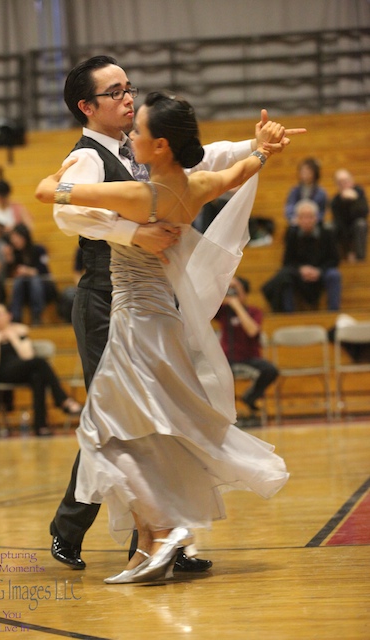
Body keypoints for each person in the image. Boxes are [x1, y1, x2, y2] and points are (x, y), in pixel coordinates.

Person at [43, 55, 302, 575]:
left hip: (154, 304)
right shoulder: (90, 156)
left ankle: (159, 540)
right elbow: (63, 211)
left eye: (128, 88)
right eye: (114, 92)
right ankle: (114, 534)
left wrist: (255, 146)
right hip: (105, 302)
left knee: (138, 422)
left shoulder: (146, 152)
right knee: (128, 422)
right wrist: (130, 232)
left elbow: (206, 159)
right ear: (86, 107)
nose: (128, 98)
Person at [0, 304, 83, 436]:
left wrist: (13, 338)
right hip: (2, 374)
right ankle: (62, 400)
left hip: (22, 370)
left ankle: (40, 427)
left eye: (0, 314)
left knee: (38, 377)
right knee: (40, 362)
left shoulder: (20, 332)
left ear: (9, 315)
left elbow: (27, 356)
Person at [262, 199, 342, 312]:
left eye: (309, 216)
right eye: (302, 217)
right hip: (299, 273)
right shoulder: (292, 234)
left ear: (316, 218)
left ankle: (333, 312)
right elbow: (287, 261)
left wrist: (319, 271)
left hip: (322, 271)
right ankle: (288, 315)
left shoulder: (327, 233)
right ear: (297, 219)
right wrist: (301, 269)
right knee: (284, 277)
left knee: (334, 275)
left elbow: (334, 259)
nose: (306, 220)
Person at [216, 276, 278, 415]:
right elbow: (204, 307)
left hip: (249, 358)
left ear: (245, 293)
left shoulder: (254, 311)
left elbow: (252, 331)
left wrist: (237, 306)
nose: (232, 293)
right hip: (227, 359)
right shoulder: (222, 311)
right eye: (229, 290)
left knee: (270, 370)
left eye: (236, 290)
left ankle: (250, 396)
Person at [7, 223, 56, 325]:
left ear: (24, 236)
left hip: (43, 286)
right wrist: (9, 261)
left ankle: (37, 316)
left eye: (17, 237)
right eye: (13, 238)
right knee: (19, 281)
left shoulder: (39, 249)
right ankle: (16, 317)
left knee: (34, 279)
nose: (14, 240)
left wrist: (29, 271)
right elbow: (10, 274)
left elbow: (45, 270)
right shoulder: (14, 253)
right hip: (24, 288)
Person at [331, 168, 369, 263]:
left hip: (357, 227)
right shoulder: (336, 201)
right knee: (331, 227)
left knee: (361, 224)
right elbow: (340, 223)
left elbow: (363, 213)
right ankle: (335, 259)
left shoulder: (359, 192)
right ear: (337, 185)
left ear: (352, 181)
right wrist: (349, 251)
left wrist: (354, 200)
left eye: (346, 181)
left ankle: (360, 258)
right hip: (343, 230)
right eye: (340, 182)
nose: (344, 184)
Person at [285, 157, 328, 225]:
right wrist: (294, 219)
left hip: (315, 224)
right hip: (297, 223)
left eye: (308, 172)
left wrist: (313, 220)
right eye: (302, 171)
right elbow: (290, 207)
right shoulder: (294, 191)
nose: (305, 174)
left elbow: (322, 211)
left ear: (314, 173)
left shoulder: (321, 192)